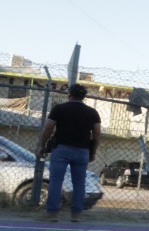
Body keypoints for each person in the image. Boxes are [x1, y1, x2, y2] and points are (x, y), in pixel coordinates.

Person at [37, 84, 102, 222]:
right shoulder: (92, 112)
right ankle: (76, 214)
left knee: (56, 181)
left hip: (61, 148)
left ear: (69, 94)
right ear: (84, 96)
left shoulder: (59, 109)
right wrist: (93, 151)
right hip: (82, 150)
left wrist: (42, 145)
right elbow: (97, 134)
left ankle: (52, 213)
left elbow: (48, 128)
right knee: (79, 183)